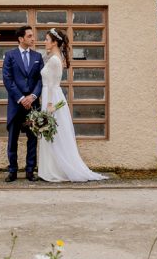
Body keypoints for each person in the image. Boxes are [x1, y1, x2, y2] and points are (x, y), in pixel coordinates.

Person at [38, 28, 107, 182]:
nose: (44, 42)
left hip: (51, 98)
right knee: (52, 134)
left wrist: (49, 104)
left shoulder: (55, 59)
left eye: (47, 39)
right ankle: (51, 168)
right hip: (52, 96)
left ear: (55, 42)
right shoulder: (55, 56)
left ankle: (53, 170)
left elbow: (50, 84)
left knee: (52, 134)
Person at [2, 25, 44, 182]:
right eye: (30, 36)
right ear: (21, 39)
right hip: (16, 104)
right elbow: (7, 79)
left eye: (33, 36)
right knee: (12, 139)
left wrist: (32, 96)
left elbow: (41, 79)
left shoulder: (38, 56)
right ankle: (12, 171)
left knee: (32, 138)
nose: (33, 38)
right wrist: (21, 98)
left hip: (33, 105)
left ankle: (29, 171)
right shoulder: (10, 55)